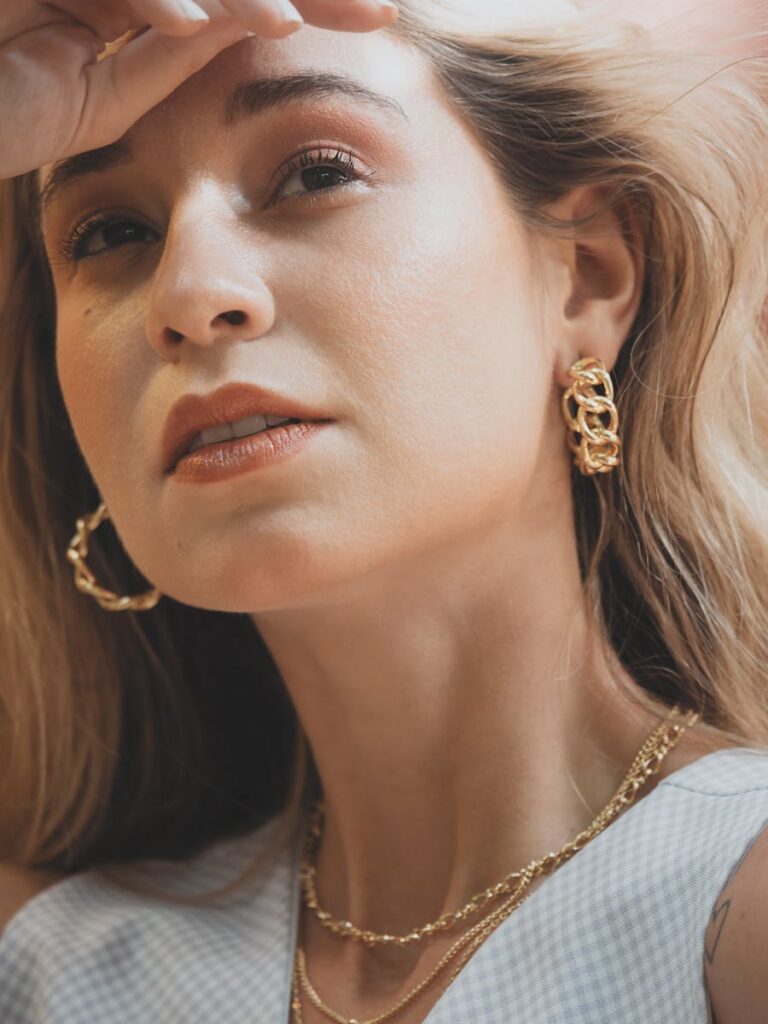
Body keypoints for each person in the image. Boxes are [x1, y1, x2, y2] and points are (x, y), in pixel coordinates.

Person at [0, 0, 767, 1021]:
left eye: (316, 172)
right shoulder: (53, 964)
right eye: (111, 232)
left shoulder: (736, 906)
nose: (189, 292)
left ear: (587, 275)